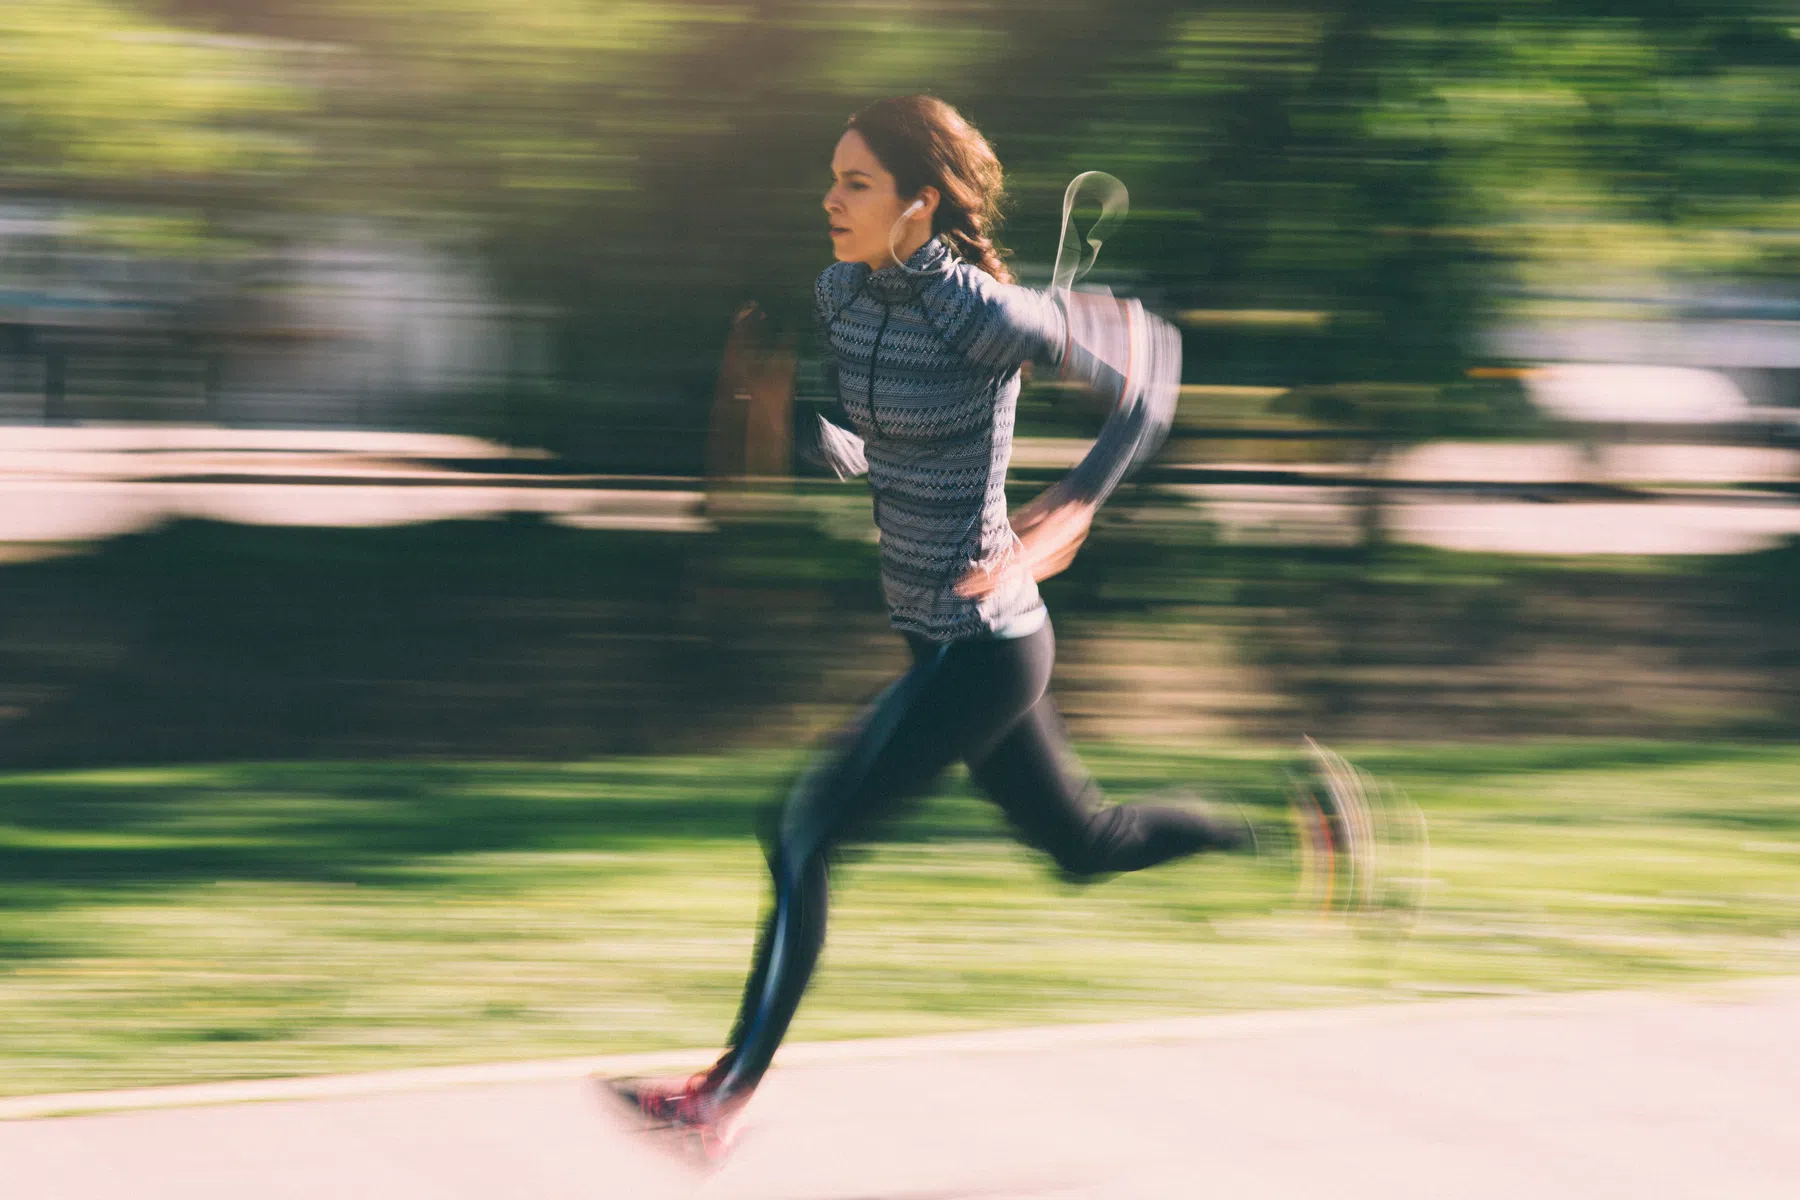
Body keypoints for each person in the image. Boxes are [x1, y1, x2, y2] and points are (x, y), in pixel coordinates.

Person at [608, 94, 1376, 1158]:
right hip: (945, 642)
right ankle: (1298, 831)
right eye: (831, 178)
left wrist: (1073, 505)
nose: (830, 199)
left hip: (987, 650)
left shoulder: (978, 310)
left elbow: (1148, 387)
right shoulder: (844, 296)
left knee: (800, 837)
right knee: (1084, 846)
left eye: (856, 183)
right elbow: (897, 440)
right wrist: (804, 428)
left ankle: (718, 1101)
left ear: (918, 204)